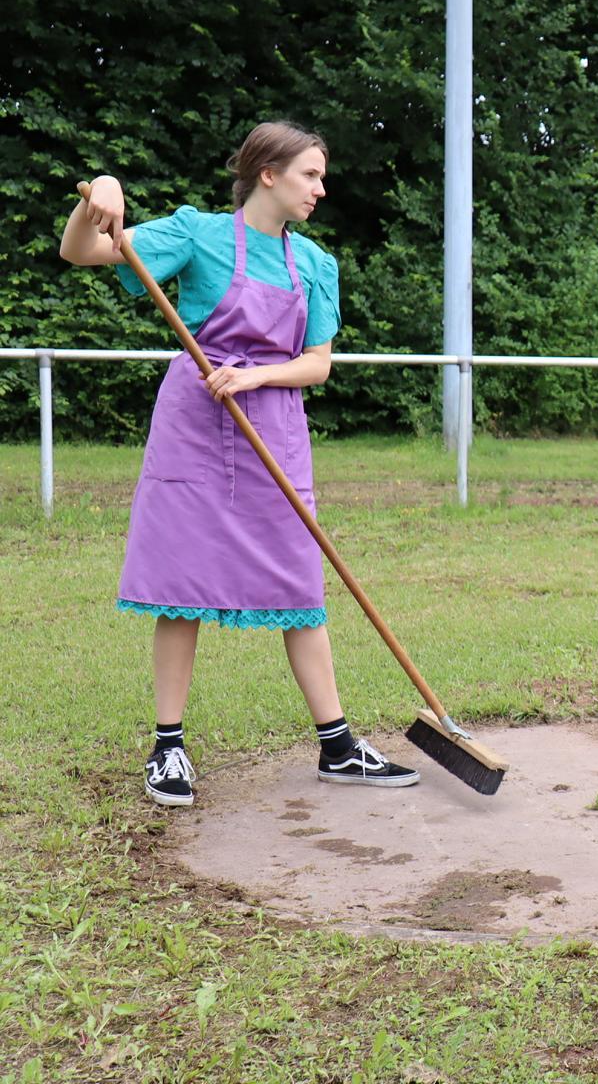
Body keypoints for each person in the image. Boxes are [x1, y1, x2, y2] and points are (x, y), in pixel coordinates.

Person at [59, 121, 419, 806]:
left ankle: (338, 746)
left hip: (273, 431)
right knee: (181, 584)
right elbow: (81, 251)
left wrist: (255, 377)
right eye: (311, 175)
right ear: (268, 174)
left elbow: (317, 365)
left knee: (300, 583)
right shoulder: (197, 234)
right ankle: (168, 748)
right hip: (194, 428)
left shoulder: (314, 263)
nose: (321, 189)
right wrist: (101, 193)